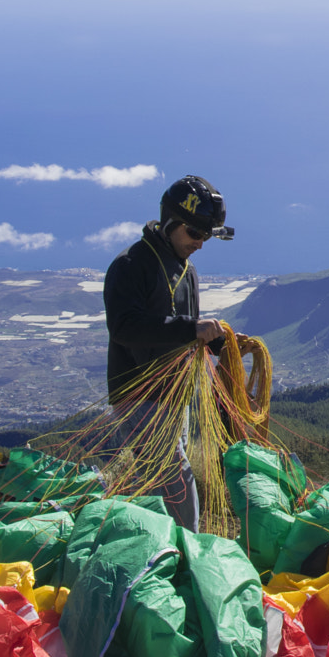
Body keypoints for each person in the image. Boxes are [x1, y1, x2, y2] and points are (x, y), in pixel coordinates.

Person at [101, 174, 236, 529]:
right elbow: (125, 327)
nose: (201, 244)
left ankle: (146, 540)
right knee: (174, 476)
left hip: (175, 396)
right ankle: (185, 551)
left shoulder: (184, 268)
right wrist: (191, 329)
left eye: (207, 236)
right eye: (195, 233)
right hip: (141, 396)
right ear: (171, 222)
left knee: (157, 478)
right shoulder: (132, 265)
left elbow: (183, 329)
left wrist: (216, 340)